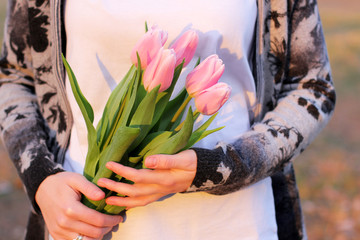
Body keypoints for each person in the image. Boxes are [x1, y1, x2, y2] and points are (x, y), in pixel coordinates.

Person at [0, 0, 336, 239]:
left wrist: (223, 165)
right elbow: (14, 76)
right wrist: (41, 179)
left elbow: (313, 86)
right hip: (81, 219)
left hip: (232, 220)